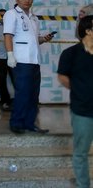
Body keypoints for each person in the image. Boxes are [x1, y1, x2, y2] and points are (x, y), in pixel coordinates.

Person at [3, 0, 54, 134]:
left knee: (33, 94)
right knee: (23, 93)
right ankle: (16, 123)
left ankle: (30, 123)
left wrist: (44, 39)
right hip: (21, 60)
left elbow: (34, 39)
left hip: (34, 60)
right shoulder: (11, 14)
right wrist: (10, 55)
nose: (27, 1)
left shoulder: (34, 18)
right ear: (17, 0)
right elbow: (7, 36)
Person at [57, 15, 93, 188]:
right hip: (82, 110)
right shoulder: (70, 53)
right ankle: (83, 185)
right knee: (81, 152)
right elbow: (63, 77)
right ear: (88, 30)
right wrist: (80, 89)